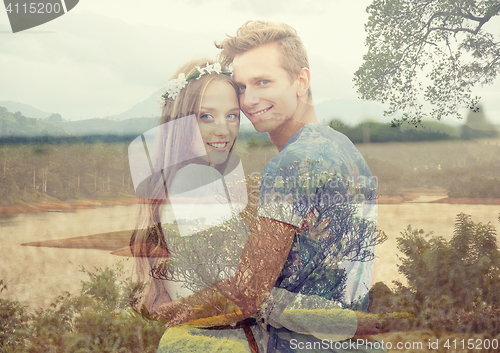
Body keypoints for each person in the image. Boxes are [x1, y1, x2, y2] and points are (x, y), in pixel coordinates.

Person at [151, 21, 385, 353]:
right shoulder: (344, 148)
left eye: (264, 82)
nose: (249, 101)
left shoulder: (290, 164)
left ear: (301, 81)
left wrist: (174, 312)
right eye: (243, 87)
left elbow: (248, 293)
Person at [128, 58, 250, 322]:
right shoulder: (197, 179)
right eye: (206, 116)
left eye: (232, 115)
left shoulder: (175, 179)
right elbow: (241, 289)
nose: (223, 129)